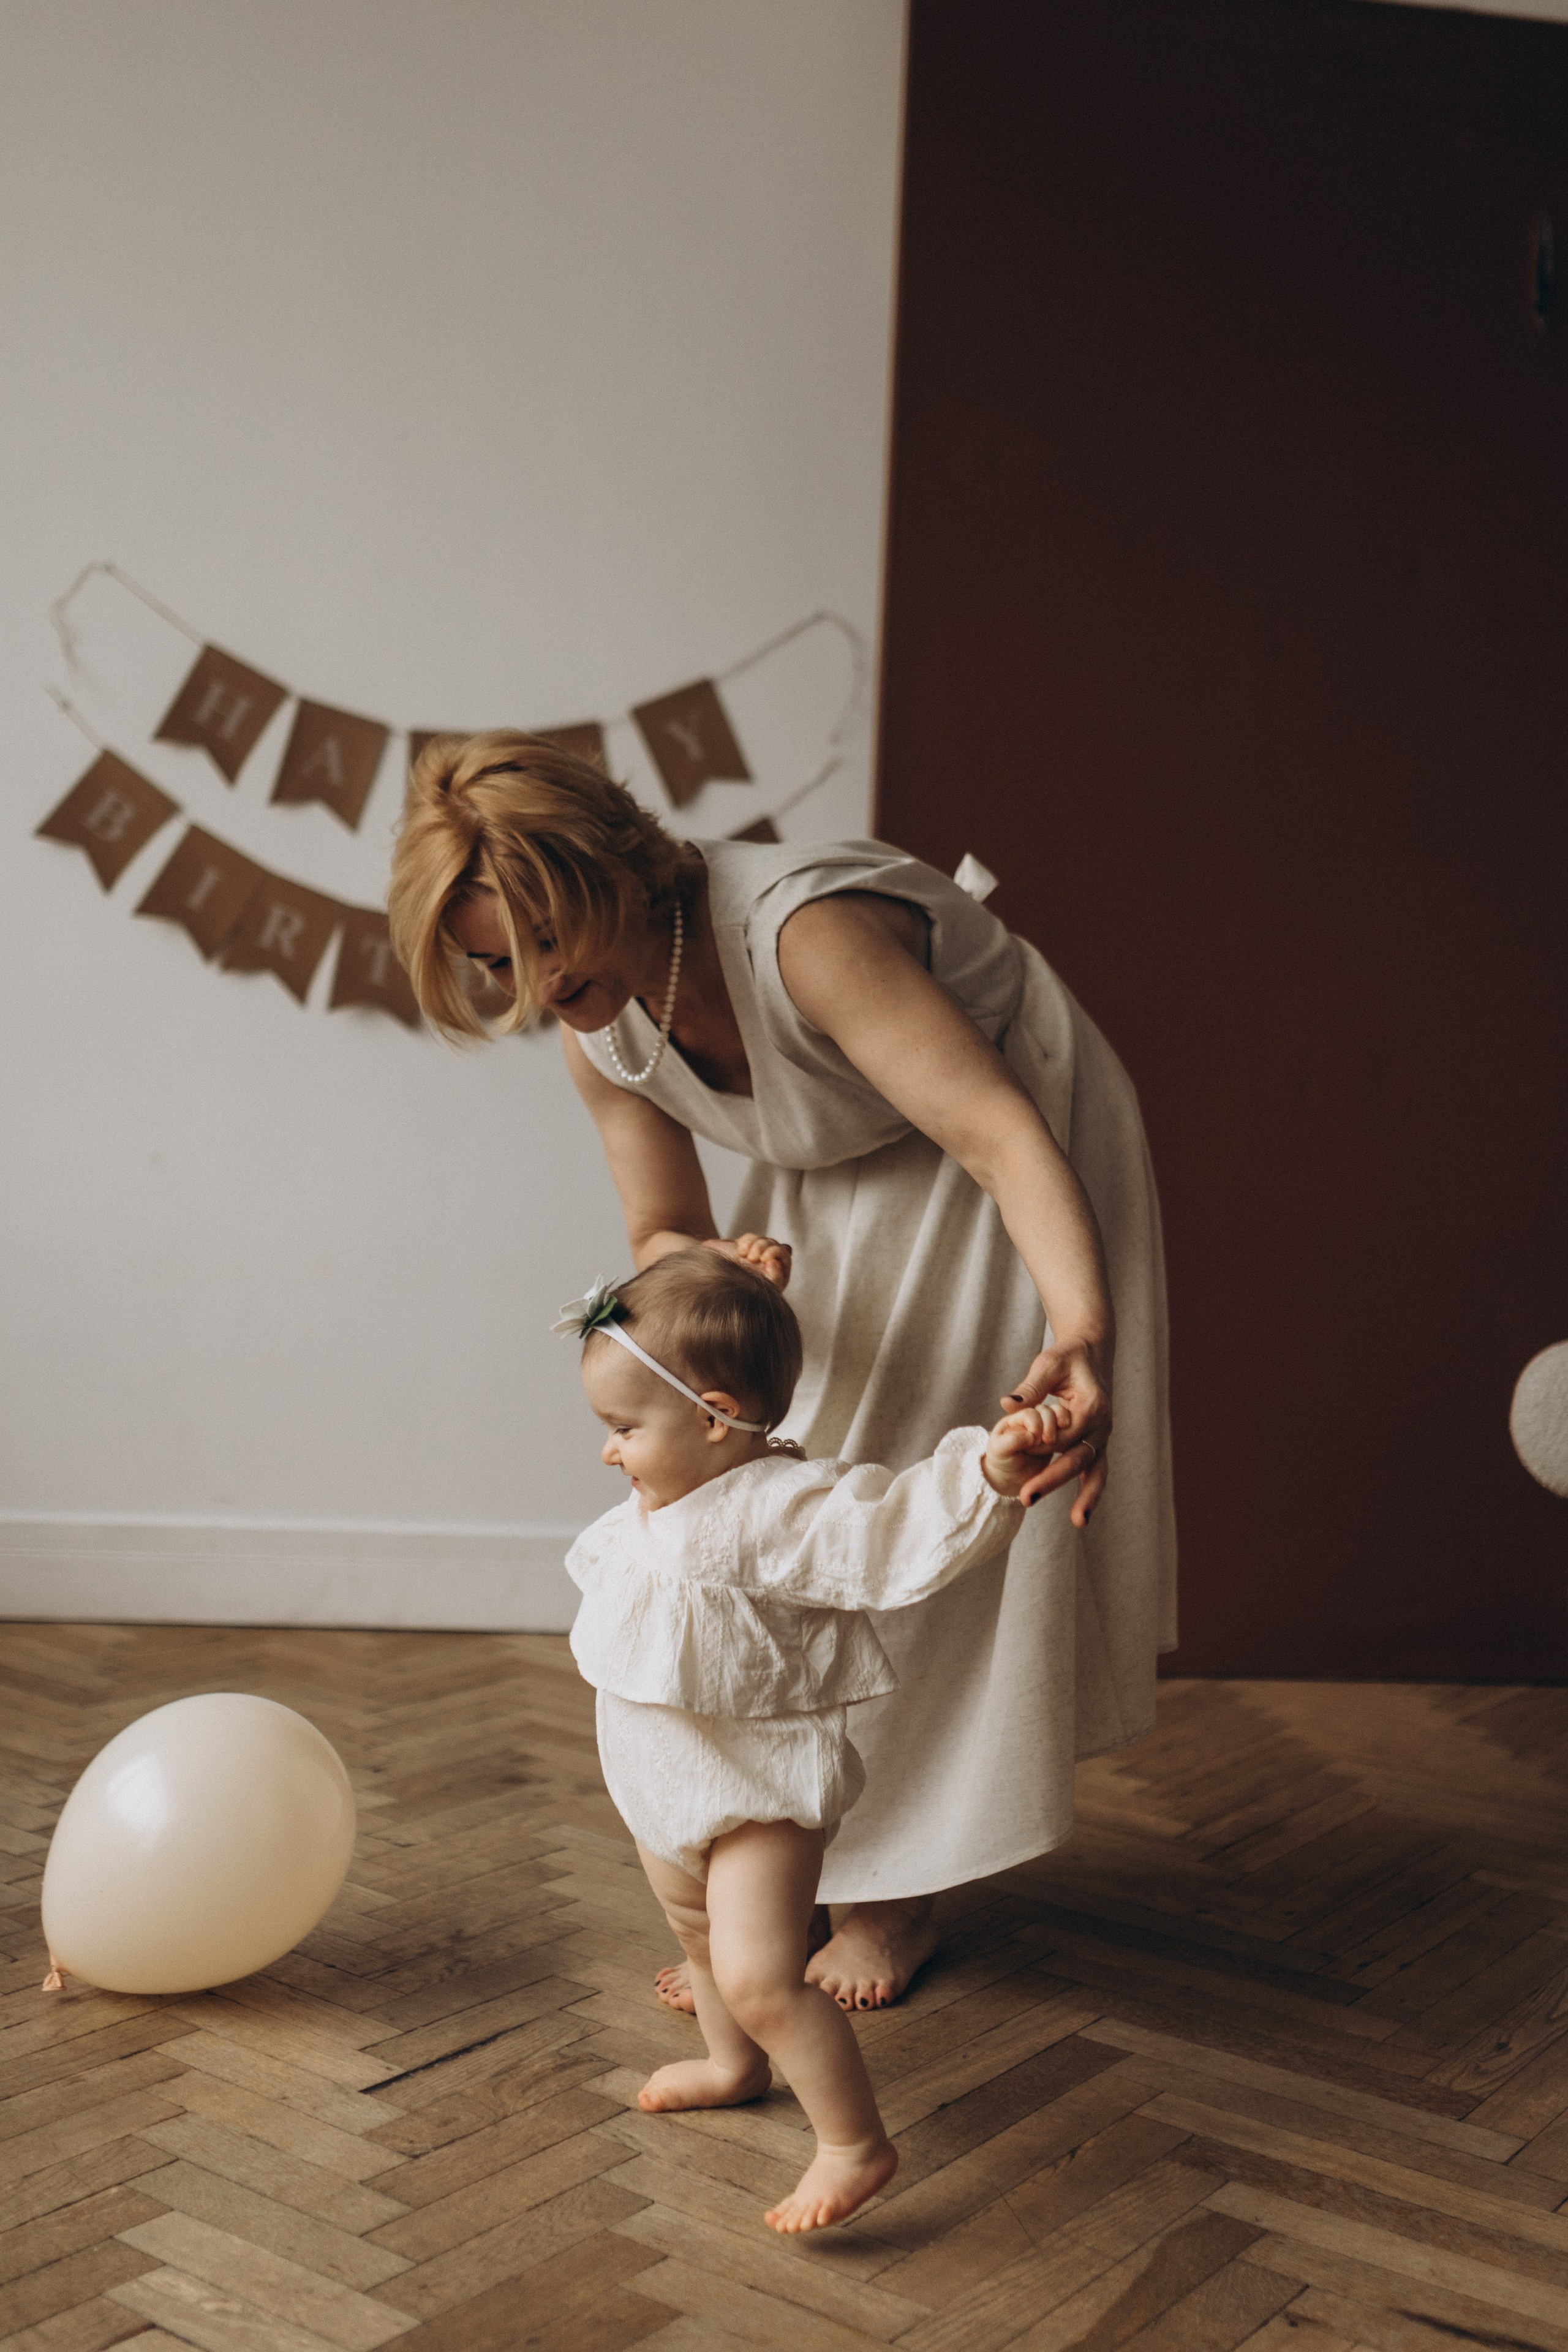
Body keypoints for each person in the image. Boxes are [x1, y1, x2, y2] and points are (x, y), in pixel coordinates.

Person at [388, 733, 1177, 2012]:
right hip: (844, 1170)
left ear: (605, 873)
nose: (530, 989)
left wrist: (1080, 1330)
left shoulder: (805, 937)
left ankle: (888, 1897)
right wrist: (714, 1272)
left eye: (539, 945)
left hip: (1012, 1152)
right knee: (780, 1486)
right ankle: (780, 1865)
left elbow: (991, 1134)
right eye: (493, 965)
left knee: (919, 1490)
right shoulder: (598, 1026)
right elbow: (657, 1232)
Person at [557, 1248, 1063, 2230]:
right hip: (666, 1782)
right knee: (697, 1938)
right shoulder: (669, 1493)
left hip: (757, 1791)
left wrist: (987, 1475)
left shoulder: (775, 1509)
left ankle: (853, 2143)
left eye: (623, 1429)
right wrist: (714, 1271)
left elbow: (889, 1529)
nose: (609, 1454)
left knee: (759, 1971)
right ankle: (732, 2061)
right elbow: (702, 1334)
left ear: (711, 1416)